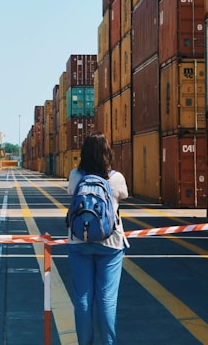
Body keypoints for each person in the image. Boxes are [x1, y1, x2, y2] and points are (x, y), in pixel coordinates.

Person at [66, 132, 129, 345]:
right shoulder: (116, 177)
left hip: (79, 242)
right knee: (107, 300)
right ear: (107, 153)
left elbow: (71, 193)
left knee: (83, 299)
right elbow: (124, 195)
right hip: (110, 244)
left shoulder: (75, 175)